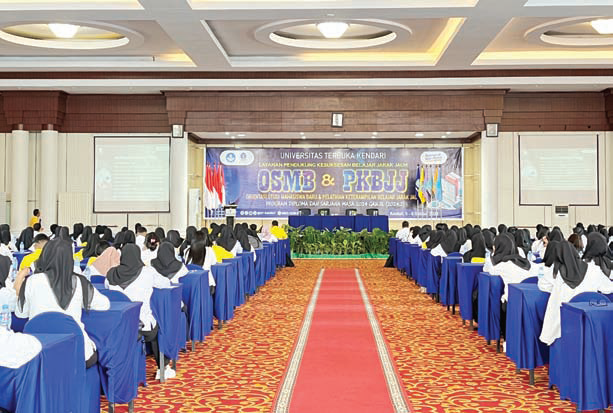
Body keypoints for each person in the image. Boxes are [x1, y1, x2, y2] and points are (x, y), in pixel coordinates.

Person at [15, 239, 110, 367]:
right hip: (75, 352)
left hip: (38, 352)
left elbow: (20, 314)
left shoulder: (32, 281)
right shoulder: (79, 282)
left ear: (44, 256)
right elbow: (105, 305)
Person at [105, 244, 173, 379]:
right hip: (142, 326)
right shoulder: (148, 272)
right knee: (158, 327)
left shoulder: (111, 275)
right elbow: (166, 283)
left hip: (117, 327)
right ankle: (163, 367)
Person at [539, 239, 613, 345]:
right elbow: (608, 288)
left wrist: (556, 288)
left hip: (564, 323)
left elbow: (542, 285)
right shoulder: (593, 269)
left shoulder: (556, 271)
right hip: (590, 320)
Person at [483, 233, 536, 302]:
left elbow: (486, 269)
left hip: (512, 303)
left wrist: (493, 254)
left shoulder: (501, 266)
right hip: (531, 301)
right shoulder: (528, 264)